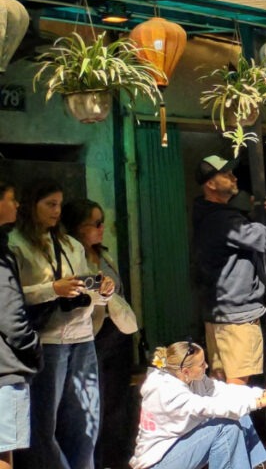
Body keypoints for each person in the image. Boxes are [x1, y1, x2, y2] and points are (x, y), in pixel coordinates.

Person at [10, 180, 112, 469]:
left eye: (59, 204)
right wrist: (52, 289)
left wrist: (103, 291)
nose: (57, 211)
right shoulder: (17, 244)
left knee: (86, 423)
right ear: (31, 205)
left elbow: (85, 291)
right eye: (50, 204)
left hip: (82, 337)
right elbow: (13, 296)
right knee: (43, 425)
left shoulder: (71, 245)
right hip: (48, 340)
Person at [192, 156, 266, 385]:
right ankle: (237, 423)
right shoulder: (224, 220)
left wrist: (252, 215)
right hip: (237, 316)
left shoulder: (206, 214)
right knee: (237, 387)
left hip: (218, 313)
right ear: (210, 183)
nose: (233, 177)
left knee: (219, 383)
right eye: (226, 174)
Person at [62, 198, 139, 469]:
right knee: (94, 402)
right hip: (91, 335)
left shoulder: (103, 253)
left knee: (117, 402)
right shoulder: (72, 257)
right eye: (95, 223)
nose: (102, 228)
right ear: (78, 228)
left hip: (116, 335)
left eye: (102, 222)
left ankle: (116, 459)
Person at [130, 341, 266, 469]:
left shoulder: (192, 379)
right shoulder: (167, 392)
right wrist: (260, 403)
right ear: (186, 372)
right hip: (158, 462)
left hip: (181, 444)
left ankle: (258, 465)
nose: (206, 366)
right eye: (201, 365)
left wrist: (261, 394)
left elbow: (222, 391)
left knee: (240, 413)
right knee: (225, 428)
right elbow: (208, 406)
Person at [0, 182, 40, 469]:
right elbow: (10, 315)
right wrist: (32, 346)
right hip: (4, 370)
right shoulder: (1, 256)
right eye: (11, 199)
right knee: (4, 453)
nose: (17, 205)